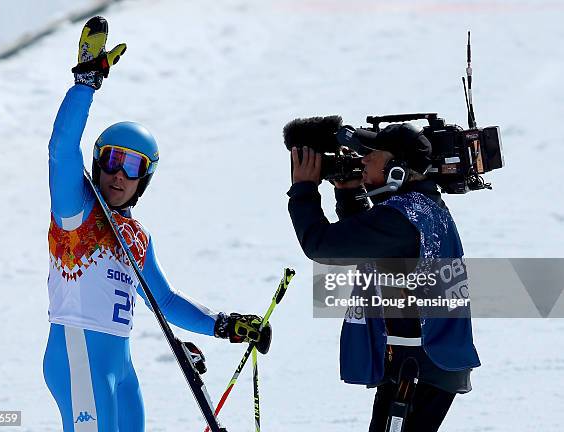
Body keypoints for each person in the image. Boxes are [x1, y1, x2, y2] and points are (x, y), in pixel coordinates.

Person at [43, 17, 270, 432]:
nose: (118, 175)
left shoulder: (137, 238)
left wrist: (225, 324)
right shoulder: (75, 211)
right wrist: (85, 84)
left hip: (119, 364)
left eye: (133, 167)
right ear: (97, 162)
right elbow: (60, 148)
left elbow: (164, 301)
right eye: (111, 159)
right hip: (78, 354)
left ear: (144, 180)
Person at [287, 123, 480, 432]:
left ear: (398, 169)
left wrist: (304, 190)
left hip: (418, 363)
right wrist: (348, 192)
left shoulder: (401, 218)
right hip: (424, 360)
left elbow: (321, 245)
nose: (362, 161)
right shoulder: (420, 207)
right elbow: (372, 247)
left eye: (372, 155)